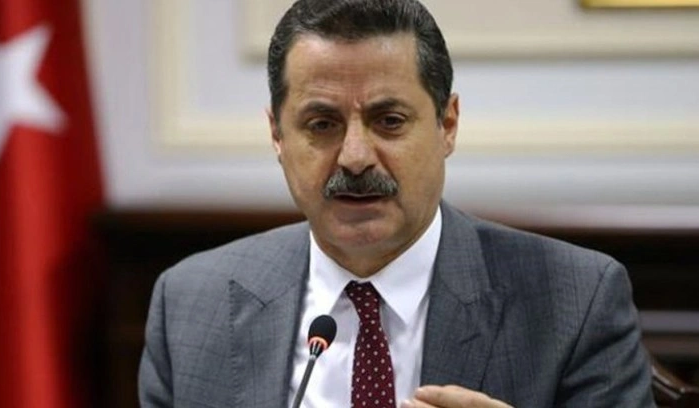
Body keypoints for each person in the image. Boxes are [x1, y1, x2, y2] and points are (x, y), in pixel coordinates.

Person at [138, 0, 655, 407]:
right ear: (277, 135)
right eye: (322, 124)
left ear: (447, 125)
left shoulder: (574, 302)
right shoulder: (190, 304)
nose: (355, 157)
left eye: (389, 121)